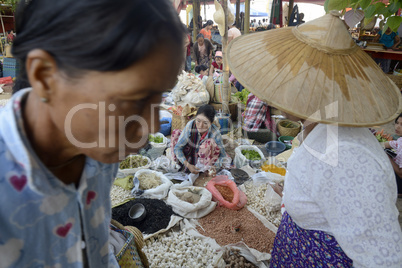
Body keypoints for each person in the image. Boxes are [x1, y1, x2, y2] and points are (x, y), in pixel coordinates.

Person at [0, 0, 184, 267]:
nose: (152, 126)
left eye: (160, 97)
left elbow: (96, 243)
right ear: (44, 76)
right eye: (132, 99)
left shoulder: (100, 153)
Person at [227, 12, 402, 267]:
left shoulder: (348, 155)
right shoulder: (320, 126)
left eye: (290, 80)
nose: (277, 88)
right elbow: (326, 192)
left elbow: (381, 258)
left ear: (314, 92)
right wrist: (294, 193)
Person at [173, 105, 226, 174]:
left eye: (205, 123)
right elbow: (177, 148)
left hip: (205, 161)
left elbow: (222, 155)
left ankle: (204, 170)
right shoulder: (190, 126)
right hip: (190, 156)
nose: (200, 126)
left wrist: (215, 167)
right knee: (176, 134)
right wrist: (188, 165)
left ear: (211, 123)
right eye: (198, 121)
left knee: (210, 143)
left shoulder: (215, 133)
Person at [383, 113, 402, 198]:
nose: (397, 127)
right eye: (397, 123)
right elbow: (386, 144)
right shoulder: (399, 140)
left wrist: (387, 157)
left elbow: (401, 173)